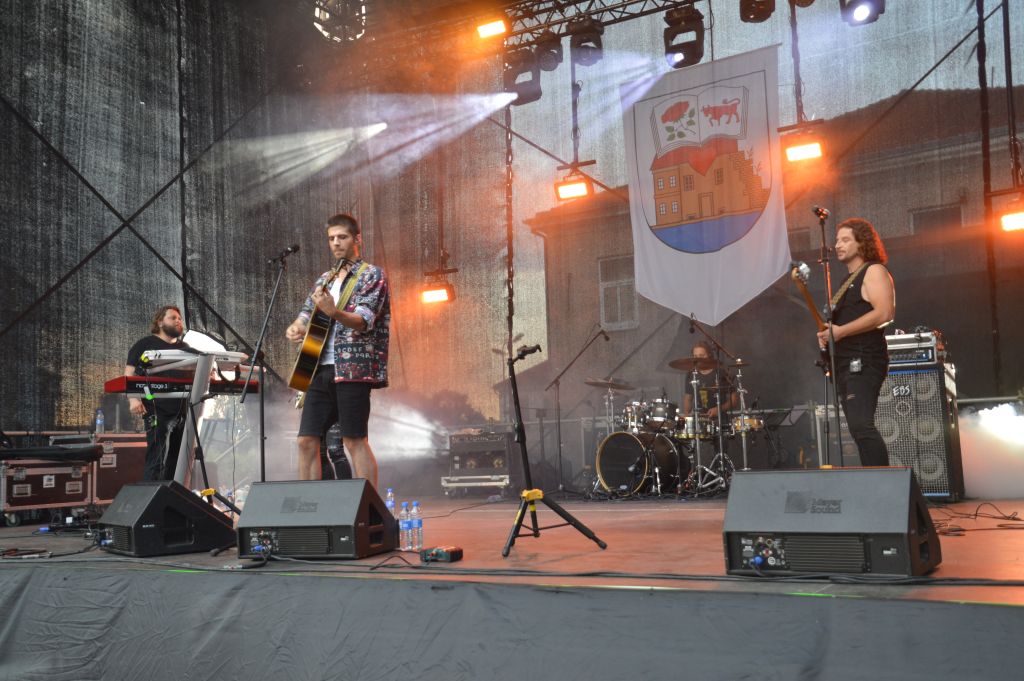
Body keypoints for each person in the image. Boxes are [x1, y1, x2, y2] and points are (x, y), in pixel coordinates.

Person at [286, 213, 390, 487]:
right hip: (316, 366)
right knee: (306, 440)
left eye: (342, 237)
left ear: (357, 239)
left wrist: (335, 312)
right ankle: (310, 505)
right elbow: (307, 311)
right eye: (331, 238)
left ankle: (368, 506)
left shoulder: (372, 274)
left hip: (352, 370)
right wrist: (297, 326)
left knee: (354, 440)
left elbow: (365, 320)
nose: (335, 243)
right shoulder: (325, 278)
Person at [816, 217, 895, 467]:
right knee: (857, 429)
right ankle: (879, 483)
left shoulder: (874, 271)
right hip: (845, 363)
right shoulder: (846, 282)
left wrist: (840, 332)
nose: (837, 245)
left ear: (862, 243)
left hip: (864, 360)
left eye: (845, 240)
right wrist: (827, 335)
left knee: (862, 426)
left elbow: (884, 313)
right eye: (837, 240)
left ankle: (886, 486)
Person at [125, 305, 190, 481]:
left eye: (180, 318)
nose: (178, 321)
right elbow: (129, 374)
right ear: (160, 322)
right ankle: (152, 494)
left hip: (183, 408)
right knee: (156, 458)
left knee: (179, 459)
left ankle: (172, 493)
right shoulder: (145, 344)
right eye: (173, 318)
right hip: (156, 407)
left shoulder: (186, 347)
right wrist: (134, 399)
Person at [681, 341, 738, 422]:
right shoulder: (691, 374)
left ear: (709, 355)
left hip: (721, 421)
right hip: (699, 422)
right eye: (695, 356)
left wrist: (719, 409)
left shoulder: (721, 372)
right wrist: (686, 420)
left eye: (701, 355)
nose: (698, 358)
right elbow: (688, 400)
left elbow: (734, 401)